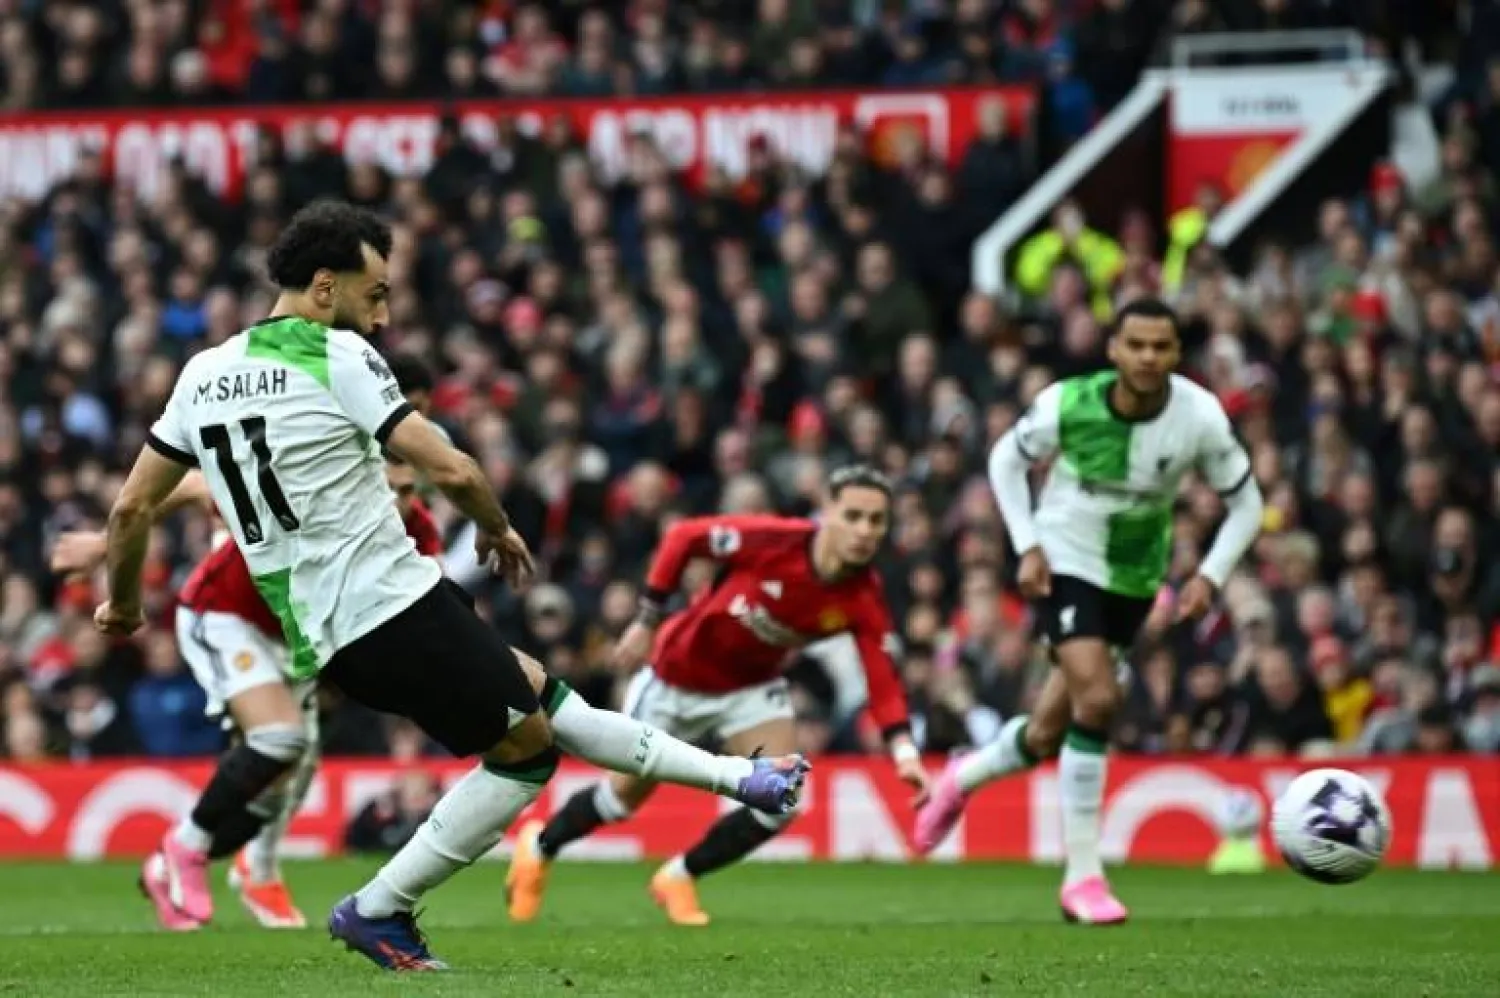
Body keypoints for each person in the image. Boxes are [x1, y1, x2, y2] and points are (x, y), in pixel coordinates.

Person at [96, 200, 807, 971]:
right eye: (376, 293)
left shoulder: (202, 375)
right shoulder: (336, 357)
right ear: (326, 289)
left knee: (545, 700)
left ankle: (743, 777)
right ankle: (378, 910)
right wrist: (497, 528)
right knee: (527, 755)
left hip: (337, 630)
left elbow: (132, 506)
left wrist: (126, 603)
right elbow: (451, 467)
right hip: (388, 607)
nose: (385, 312)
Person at [913, 298, 1264, 924]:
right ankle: (1083, 878)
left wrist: (1211, 575)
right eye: (1138, 345)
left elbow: (1247, 504)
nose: (1149, 357)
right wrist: (1026, 544)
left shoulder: (1199, 417)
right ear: (1115, 350)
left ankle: (961, 779)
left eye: (1162, 346)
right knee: (1099, 699)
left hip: (1134, 576)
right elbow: (1004, 460)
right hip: (1064, 562)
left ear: (1177, 354)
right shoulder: (1068, 403)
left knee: (1049, 731)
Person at [505, 465, 931, 927]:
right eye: (853, 515)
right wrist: (648, 619)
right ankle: (541, 845)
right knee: (625, 798)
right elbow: (685, 537)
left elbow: (881, 675)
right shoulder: (775, 540)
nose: (864, 531)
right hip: (676, 677)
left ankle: (678, 876)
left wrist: (904, 751)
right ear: (826, 512)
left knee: (781, 797)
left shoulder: (863, 596)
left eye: (876, 521)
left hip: (751, 687)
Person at [52, 457, 445, 931]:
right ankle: (201, 853)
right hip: (224, 615)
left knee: (283, 782)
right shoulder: (314, 491)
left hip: (295, 641)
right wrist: (103, 543)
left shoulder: (415, 532)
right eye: (388, 487)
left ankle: (177, 864)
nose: (397, 502)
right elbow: (195, 484)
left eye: (407, 491)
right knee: (280, 740)